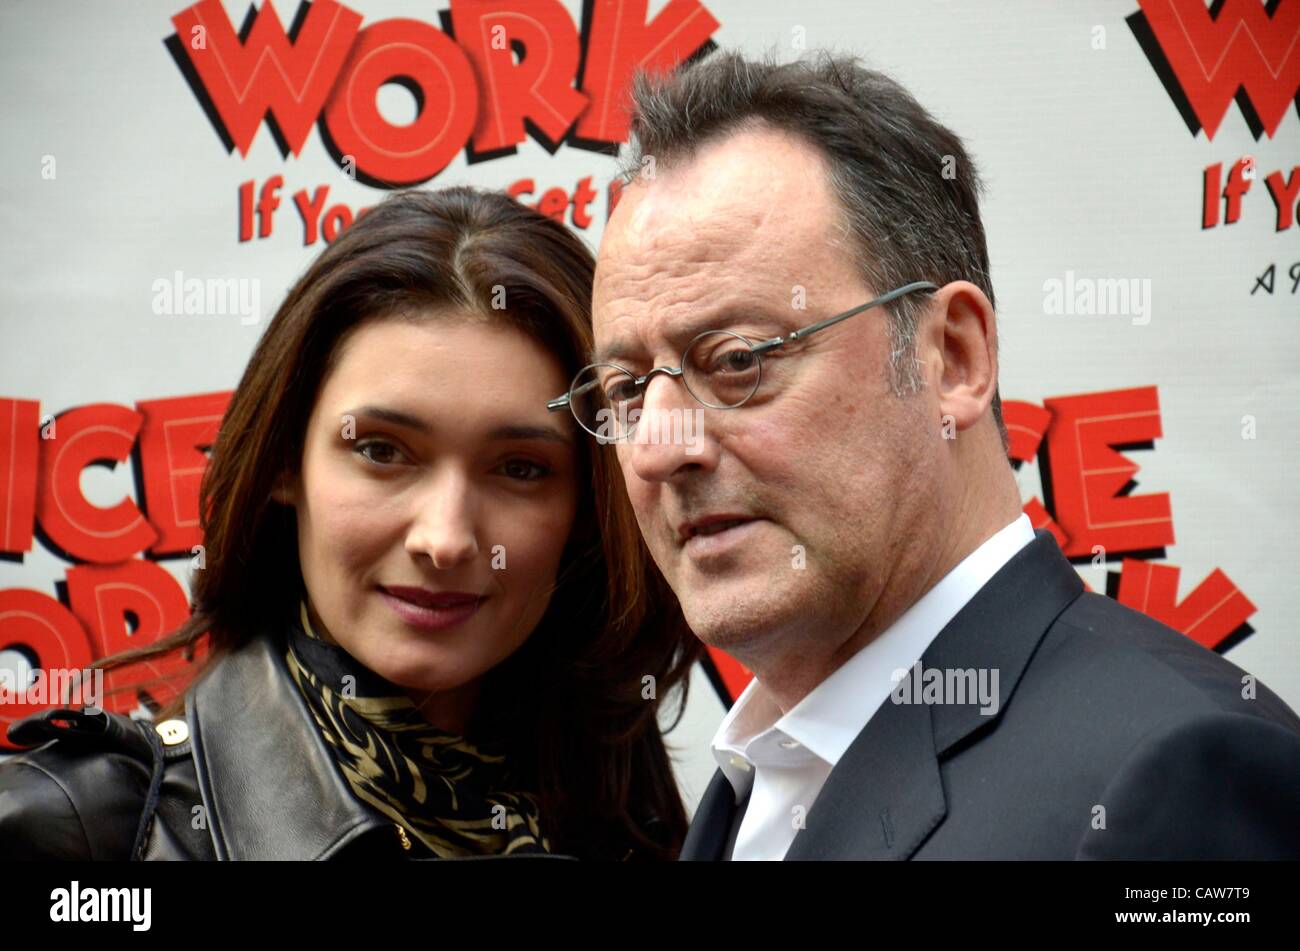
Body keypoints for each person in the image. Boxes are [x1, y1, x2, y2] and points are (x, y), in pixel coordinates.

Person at [546, 51, 1300, 859]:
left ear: (954, 358)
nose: (660, 449)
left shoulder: (1178, 780)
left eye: (738, 361)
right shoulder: (749, 784)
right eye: (626, 391)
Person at [0, 186, 699, 861]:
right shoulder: (83, 827)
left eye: (519, 468)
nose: (445, 538)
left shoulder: (646, 822)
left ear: (587, 507)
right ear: (284, 461)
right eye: (382, 451)